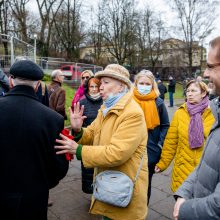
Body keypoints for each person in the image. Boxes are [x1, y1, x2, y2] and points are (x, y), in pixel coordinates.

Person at [55, 64, 148, 220]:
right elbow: (91, 133)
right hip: (110, 186)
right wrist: (78, 130)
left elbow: (117, 153)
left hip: (124, 188)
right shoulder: (106, 107)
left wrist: (78, 150)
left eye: (105, 82)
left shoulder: (132, 113)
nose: (100, 88)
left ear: (121, 86)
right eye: (100, 84)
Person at [0, 60, 69, 220]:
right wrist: (42, 184)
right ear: (38, 85)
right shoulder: (53, 119)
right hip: (34, 199)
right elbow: (59, 166)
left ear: (10, 80)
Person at [173, 36, 220, 220]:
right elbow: (207, 164)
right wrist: (184, 192)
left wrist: (184, 210)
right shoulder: (218, 111)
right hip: (188, 180)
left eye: (210, 66)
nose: (206, 74)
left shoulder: (211, 112)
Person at [155, 80, 214, 194]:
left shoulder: (214, 112)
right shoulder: (180, 113)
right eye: (188, 91)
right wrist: (162, 163)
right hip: (183, 168)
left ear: (203, 93)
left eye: (193, 91)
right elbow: (171, 142)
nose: (189, 94)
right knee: (182, 206)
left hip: (206, 170)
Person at [132, 70, 169, 203]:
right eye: (141, 83)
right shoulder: (128, 100)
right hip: (130, 149)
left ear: (152, 85)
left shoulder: (158, 103)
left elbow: (165, 125)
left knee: (145, 184)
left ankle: (142, 210)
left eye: (147, 83)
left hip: (151, 150)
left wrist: (159, 143)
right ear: (136, 84)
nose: (144, 85)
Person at [79, 76, 103, 194]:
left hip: (102, 142)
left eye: (96, 86)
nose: (94, 89)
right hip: (88, 142)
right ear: (87, 88)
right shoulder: (82, 102)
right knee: (88, 170)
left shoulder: (105, 102)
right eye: (91, 87)